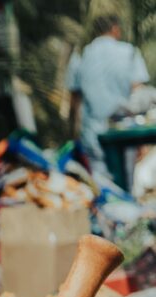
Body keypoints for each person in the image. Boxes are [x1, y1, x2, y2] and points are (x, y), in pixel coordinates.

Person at [68, 14, 150, 178]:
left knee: (99, 182)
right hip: (124, 132)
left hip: (92, 133)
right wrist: (141, 139)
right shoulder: (129, 52)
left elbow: (74, 102)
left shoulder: (81, 56)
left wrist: (73, 136)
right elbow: (138, 93)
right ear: (115, 29)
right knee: (125, 180)